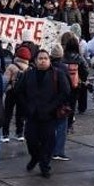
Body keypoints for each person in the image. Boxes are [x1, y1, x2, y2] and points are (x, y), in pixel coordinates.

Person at [19, 48, 71, 177]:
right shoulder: (28, 74)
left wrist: (52, 106)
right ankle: (35, 157)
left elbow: (65, 92)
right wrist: (26, 106)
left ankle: (44, 165)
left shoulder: (57, 74)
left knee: (48, 142)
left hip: (49, 114)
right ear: (35, 61)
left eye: (45, 58)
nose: (43, 61)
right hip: (32, 114)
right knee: (31, 139)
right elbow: (19, 91)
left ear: (49, 60)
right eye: (40, 58)